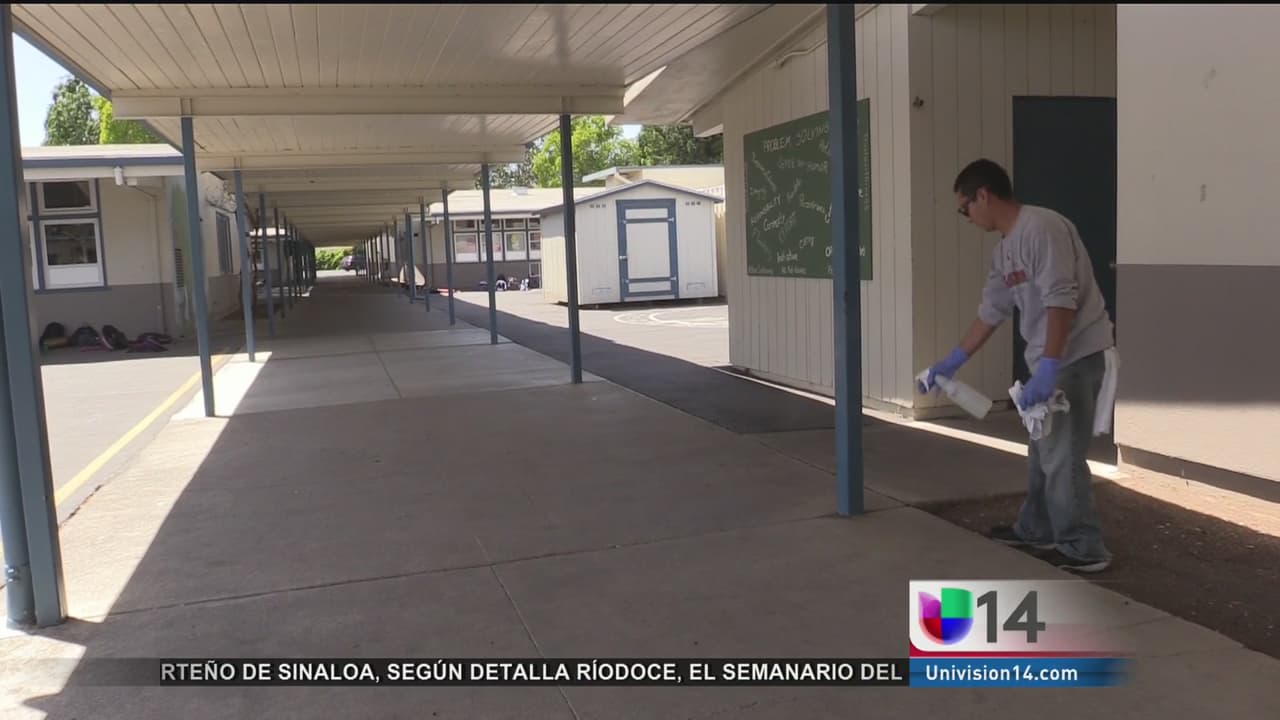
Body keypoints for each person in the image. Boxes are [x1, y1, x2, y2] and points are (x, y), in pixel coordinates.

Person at [920, 158, 1115, 573]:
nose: (967, 218)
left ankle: (1084, 546)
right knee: (1042, 451)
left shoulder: (1042, 228)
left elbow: (1061, 299)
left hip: (1074, 356)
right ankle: (1037, 529)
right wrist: (951, 362)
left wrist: (1049, 366)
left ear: (983, 196)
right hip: (1050, 359)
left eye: (965, 209)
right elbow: (991, 311)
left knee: (1061, 455)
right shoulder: (1005, 251)